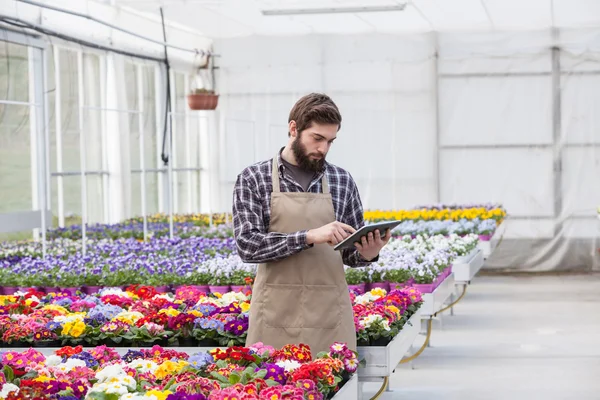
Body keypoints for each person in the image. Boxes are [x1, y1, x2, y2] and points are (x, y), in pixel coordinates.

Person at [232, 93, 391, 354]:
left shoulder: (342, 180)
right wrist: (309, 236)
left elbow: (350, 253)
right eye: (317, 138)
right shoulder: (253, 178)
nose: (323, 149)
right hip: (274, 311)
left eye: (330, 141)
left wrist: (368, 253)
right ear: (293, 128)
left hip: (329, 312)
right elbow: (248, 246)